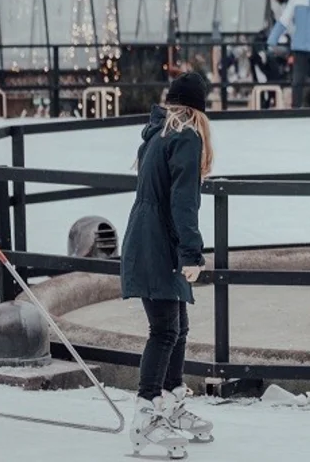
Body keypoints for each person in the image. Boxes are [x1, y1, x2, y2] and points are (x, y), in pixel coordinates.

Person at [123, 72, 216, 457]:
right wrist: (192, 254)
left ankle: (172, 402)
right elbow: (184, 201)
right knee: (164, 329)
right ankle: (146, 411)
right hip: (160, 241)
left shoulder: (158, 132)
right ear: (199, 107)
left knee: (177, 327)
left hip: (150, 236)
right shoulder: (186, 136)